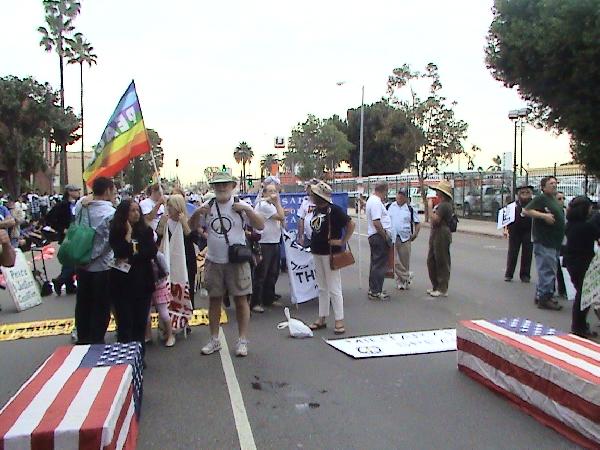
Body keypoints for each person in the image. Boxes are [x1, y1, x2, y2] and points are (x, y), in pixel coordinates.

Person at [199, 172, 265, 357]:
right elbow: (192, 227)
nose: (221, 188)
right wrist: (197, 213)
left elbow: (260, 226)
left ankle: (242, 340)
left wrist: (248, 210)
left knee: (241, 300)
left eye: (225, 184)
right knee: (214, 301)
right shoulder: (208, 206)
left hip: (236, 261)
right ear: (213, 187)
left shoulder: (241, 205)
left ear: (232, 185)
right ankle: (214, 340)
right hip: (214, 260)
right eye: (217, 185)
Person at [109, 200, 157, 356]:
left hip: (142, 282)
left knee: (140, 323)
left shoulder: (146, 231)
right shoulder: (117, 231)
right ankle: (125, 356)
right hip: (122, 284)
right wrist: (128, 236)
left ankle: (139, 357)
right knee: (125, 323)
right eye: (132, 211)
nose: (136, 214)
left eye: (138, 210)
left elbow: (150, 252)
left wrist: (133, 255)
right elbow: (120, 251)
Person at [307, 181, 355, 334]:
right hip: (317, 251)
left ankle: (339, 320)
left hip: (330, 252)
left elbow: (350, 224)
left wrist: (342, 241)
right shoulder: (317, 210)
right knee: (322, 287)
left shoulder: (334, 210)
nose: (311, 196)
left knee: (334, 286)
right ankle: (322, 317)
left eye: (313, 194)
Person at [73, 177, 116, 344]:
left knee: (83, 302)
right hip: (102, 266)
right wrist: (93, 256)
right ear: (107, 191)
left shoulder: (81, 206)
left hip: (81, 262)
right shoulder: (110, 213)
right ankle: (96, 339)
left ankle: (82, 337)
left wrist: (85, 257)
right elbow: (107, 242)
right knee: (101, 305)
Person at [523, 176, 565, 310]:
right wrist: (544, 216)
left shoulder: (553, 199)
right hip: (544, 240)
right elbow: (526, 210)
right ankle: (545, 298)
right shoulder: (541, 198)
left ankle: (541, 294)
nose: (554, 185)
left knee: (548, 268)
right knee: (547, 269)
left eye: (555, 183)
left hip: (554, 241)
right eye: (551, 183)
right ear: (543, 187)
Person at [563, 196, 600, 338]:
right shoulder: (587, 226)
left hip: (572, 262)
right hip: (582, 263)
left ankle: (580, 325)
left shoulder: (571, 224)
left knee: (582, 294)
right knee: (584, 297)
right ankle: (579, 327)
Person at [157, 194, 202, 309]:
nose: (169, 209)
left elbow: (194, 239)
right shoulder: (166, 221)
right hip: (169, 259)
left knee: (187, 287)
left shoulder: (187, 221)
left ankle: (187, 313)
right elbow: (158, 239)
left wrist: (184, 224)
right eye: (168, 206)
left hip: (186, 260)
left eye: (171, 206)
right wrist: (161, 225)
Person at [251, 184, 285, 313]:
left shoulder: (272, 206)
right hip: (265, 242)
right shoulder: (263, 205)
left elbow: (282, 220)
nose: (273, 194)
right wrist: (278, 204)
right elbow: (281, 216)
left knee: (273, 272)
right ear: (264, 193)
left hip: (274, 241)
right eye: (270, 191)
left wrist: (277, 206)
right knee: (261, 273)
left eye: (275, 191)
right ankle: (255, 302)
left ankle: (268, 298)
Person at [46, 185, 81, 295]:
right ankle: (60, 280)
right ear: (69, 192)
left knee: (72, 260)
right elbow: (49, 218)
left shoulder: (79, 204)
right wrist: (62, 229)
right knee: (72, 261)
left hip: (79, 235)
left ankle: (69, 285)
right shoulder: (62, 205)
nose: (78, 193)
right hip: (67, 237)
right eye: (76, 190)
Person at [388, 188, 420, 290]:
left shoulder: (410, 209)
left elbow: (417, 223)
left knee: (404, 261)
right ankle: (407, 276)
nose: (400, 197)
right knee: (392, 260)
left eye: (403, 195)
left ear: (406, 198)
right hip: (392, 237)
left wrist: (415, 234)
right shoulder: (389, 206)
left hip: (405, 238)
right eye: (399, 195)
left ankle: (403, 281)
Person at [427, 180, 454, 297]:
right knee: (432, 259)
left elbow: (436, 219)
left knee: (441, 259)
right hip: (436, 232)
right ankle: (436, 285)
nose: (437, 194)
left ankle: (442, 287)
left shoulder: (445, 206)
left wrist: (429, 208)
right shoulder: (441, 205)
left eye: (438, 191)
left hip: (442, 232)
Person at [366, 182, 393, 300]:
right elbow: (377, 222)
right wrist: (385, 235)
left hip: (374, 235)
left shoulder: (371, 200)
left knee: (375, 262)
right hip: (378, 236)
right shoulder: (376, 202)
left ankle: (373, 288)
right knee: (379, 264)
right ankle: (376, 290)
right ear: (384, 190)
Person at [504, 184, 534, 283]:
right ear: (518, 194)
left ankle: (525, 275)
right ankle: (509, 274)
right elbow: (505, 219)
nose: (525, 195)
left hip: (529, 231)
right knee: (513, 253)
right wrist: (506, 229)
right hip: (515, 231)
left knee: (527, 253)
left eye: (527, 192)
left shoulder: (534, 205)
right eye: (522, 193)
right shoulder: (513, 205)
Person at [297, 179, 319, 248]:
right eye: (308, 187)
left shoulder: (324, 202)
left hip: (322, 239)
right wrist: (301, 236)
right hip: (308, 238)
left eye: (310, 187)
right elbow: (301, 219)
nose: (308, 189)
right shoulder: (305, 202)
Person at [555, 191, 567, 298]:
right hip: (554, 243)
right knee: (553, 267)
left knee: (563, 266)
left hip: (565, 243)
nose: (562, 201)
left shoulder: (566, 212)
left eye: (563, 198)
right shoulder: (551, 212)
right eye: (559, 199)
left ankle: (563, 289)